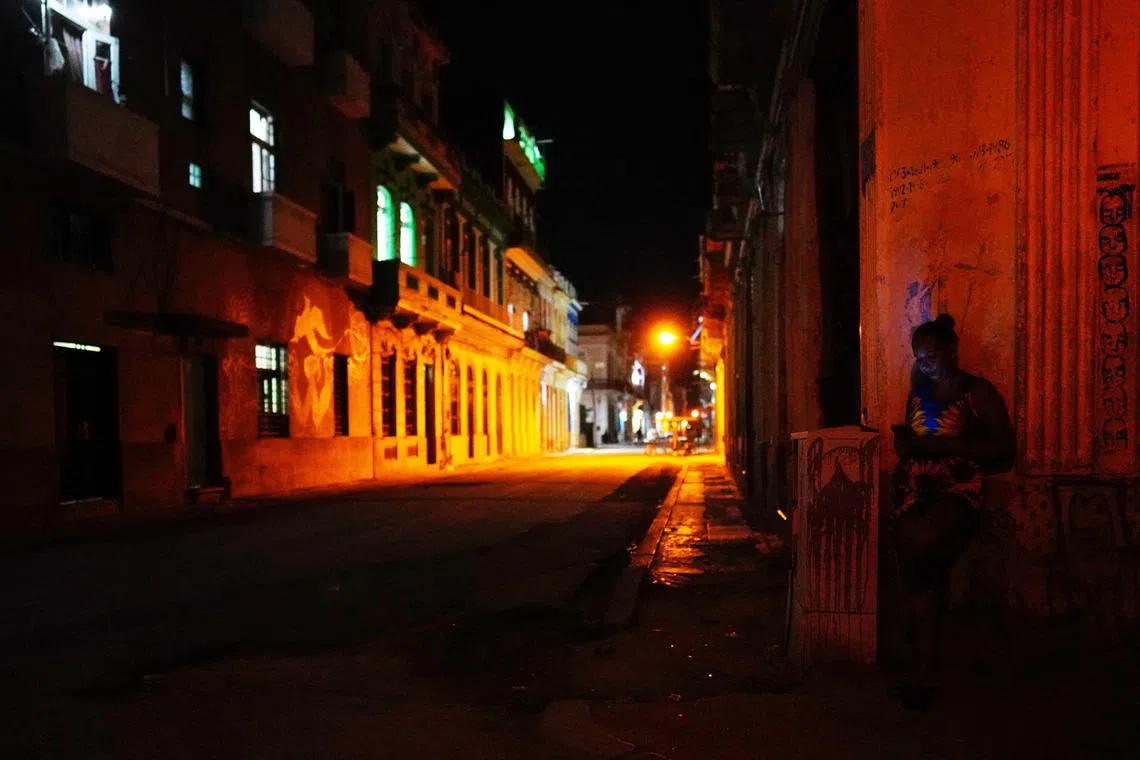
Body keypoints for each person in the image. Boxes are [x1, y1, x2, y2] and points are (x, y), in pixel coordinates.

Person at [889, 313, 1014, 708]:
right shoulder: (918, 393)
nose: (926, 365)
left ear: (952, 350)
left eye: (933, 356)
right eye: (919, 358)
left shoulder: (977, 392)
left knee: (925, 551)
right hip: (915, 490)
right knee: (915, 563)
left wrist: (943, 449)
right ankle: (924, 664)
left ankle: (927, 660)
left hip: (958, 490)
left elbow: (1003, 451)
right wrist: (909, 448)